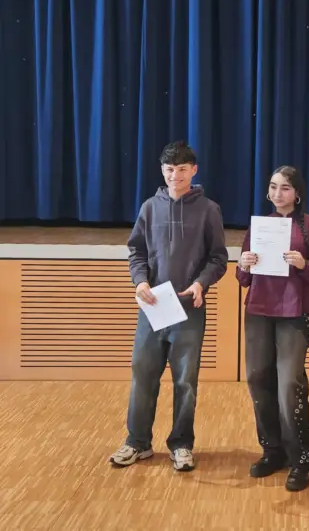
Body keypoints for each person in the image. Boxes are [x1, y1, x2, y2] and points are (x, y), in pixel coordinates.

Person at [110, 140, 228, 472]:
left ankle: (181, 445)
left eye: (182, 169)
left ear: (194, 170)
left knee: (185, 381)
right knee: (143, 374)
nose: (175, 176)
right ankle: (137, 442)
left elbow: (218, 258)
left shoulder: (209, 210)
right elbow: (137, 251)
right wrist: (140, 282)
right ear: (162, 171)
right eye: (170, 170)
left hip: (188, 307)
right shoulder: (150, 207)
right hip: (153, 307)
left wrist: (201, 283)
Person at [236, 166, 309, 492]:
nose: (278, 194)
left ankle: (302, 457)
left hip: (293, 313)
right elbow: (243, 277)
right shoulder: (259, 225)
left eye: (286, 188)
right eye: (274, 187)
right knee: (257, 379)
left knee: (289, 385)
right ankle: (272, 450)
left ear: (298, 193)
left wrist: (305, 265)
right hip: (258, 311)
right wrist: (244, 264)